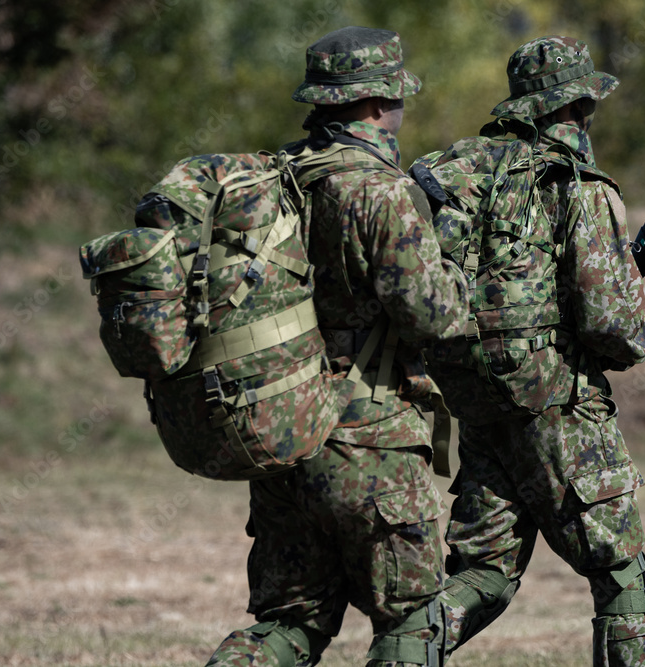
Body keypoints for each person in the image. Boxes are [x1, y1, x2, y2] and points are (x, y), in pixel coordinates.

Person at [205, 27, 468, 667]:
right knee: (411, 621)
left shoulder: (279, 178)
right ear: (377, 104)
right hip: (370, 439)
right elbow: (433, 318)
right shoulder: (381, 191)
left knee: (288, 625)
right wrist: (453, 257)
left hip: (285, 430)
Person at [431, 36, 645, 666]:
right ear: (578, 107)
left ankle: (400, 655)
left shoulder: (463, 171)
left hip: (476, 398)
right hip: (558, 403)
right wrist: (633, 322)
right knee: (621, 573)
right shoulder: (579, 185)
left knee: (482, 575)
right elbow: (612, 325)